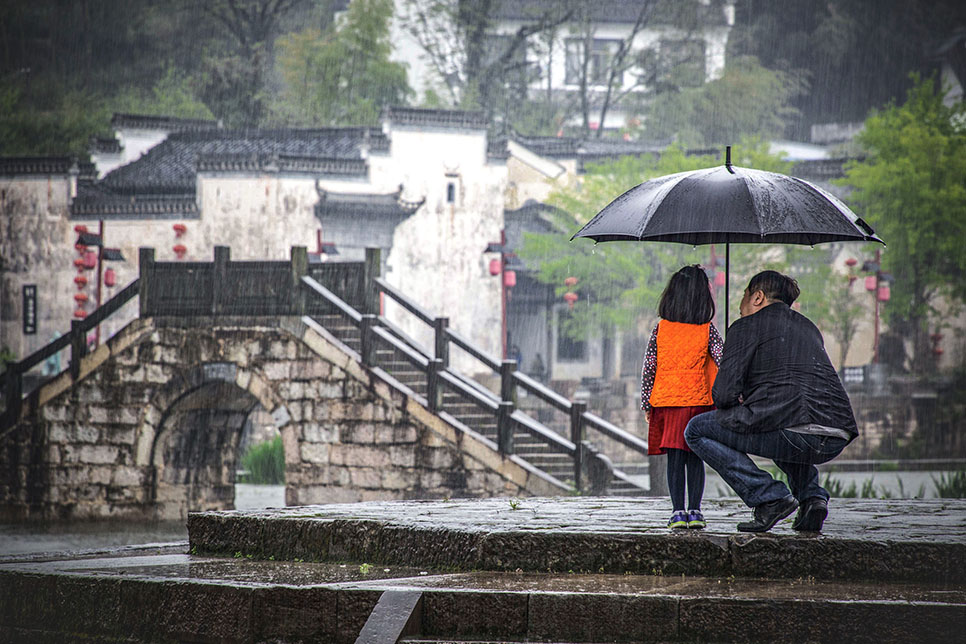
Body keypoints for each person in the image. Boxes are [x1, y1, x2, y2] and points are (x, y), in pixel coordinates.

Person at [684, 270, 858, 533]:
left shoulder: (745, 327)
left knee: (696, 430)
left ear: (758, 297)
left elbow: (722, 395)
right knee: (778, 428)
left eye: (744, 296)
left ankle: (768, 497)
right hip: (836, 434)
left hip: (791, 427)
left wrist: (740, 395)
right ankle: (812, 498)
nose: (740, 305)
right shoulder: (808, 326)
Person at [641, 265, 722, 530]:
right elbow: (723, 361)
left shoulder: (661, 329)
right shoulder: (707, 330)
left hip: (667, 401)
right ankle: (696, 511)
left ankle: (677, 512)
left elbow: (649, 366)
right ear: (703, 298)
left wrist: (646, 402)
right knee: (695, 457)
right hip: (698, 401)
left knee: (674, 458)